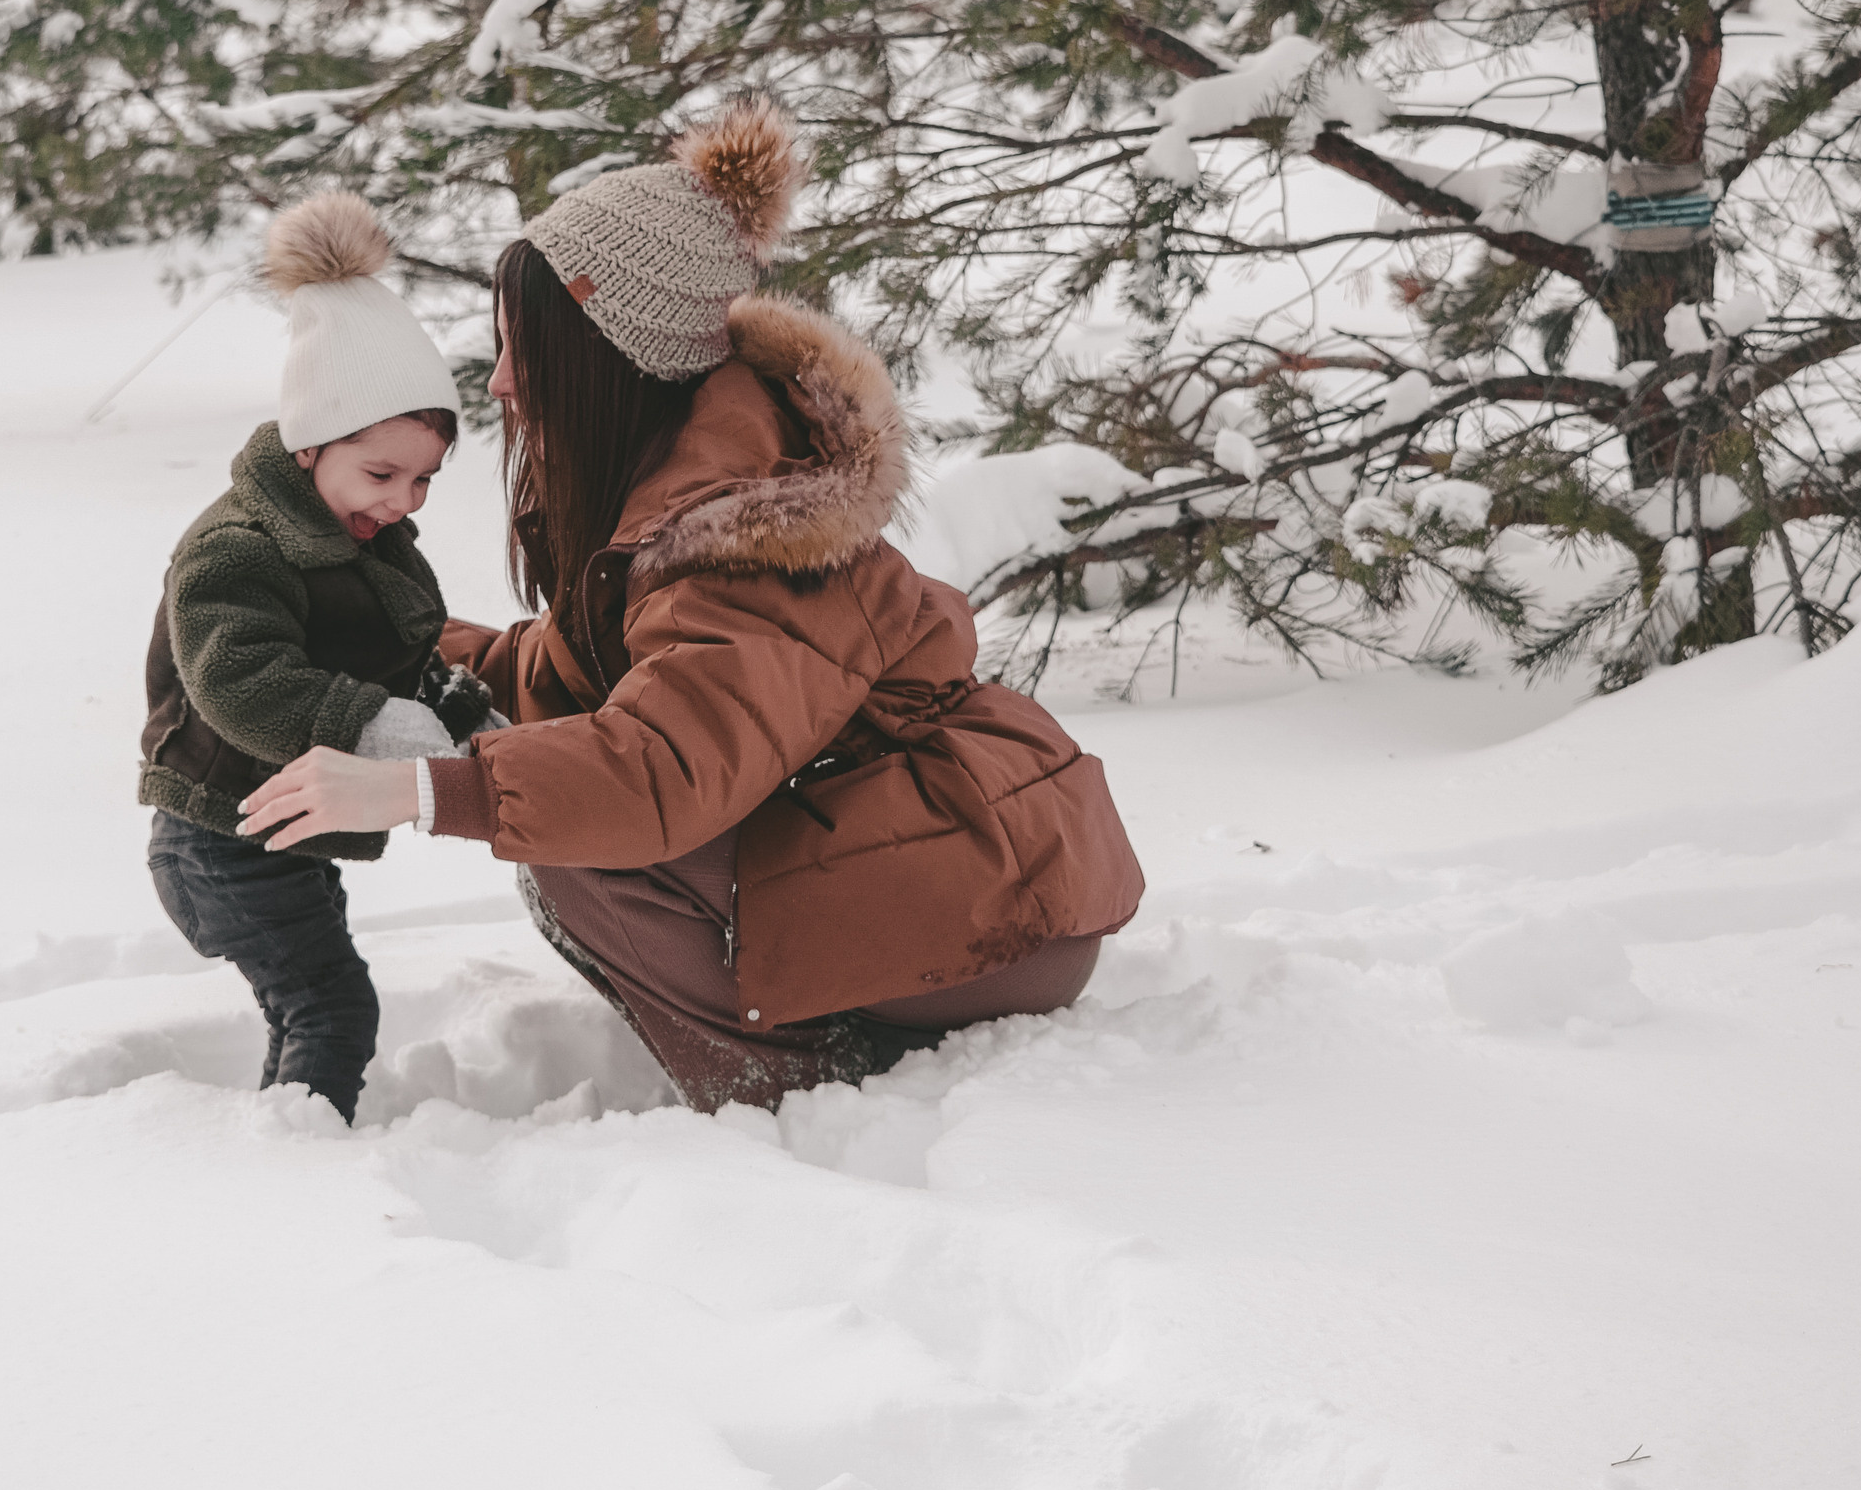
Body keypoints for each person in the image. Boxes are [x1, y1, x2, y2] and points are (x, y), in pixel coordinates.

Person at [239, 101, 1146, 1114]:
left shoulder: (745, 538)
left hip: (986, 911)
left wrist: (420, 790)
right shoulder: (686, 485)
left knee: (585, 846)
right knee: (564, 815)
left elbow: (660, 770)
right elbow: (575, 678)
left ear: (606, 353)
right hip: (950, 863)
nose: (498, 381)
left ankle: (803, 1100)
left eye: (519, 345)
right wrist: (398, 641)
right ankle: (809, 1048)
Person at [139, 192, 498, 1123]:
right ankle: (293, 1161)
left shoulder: (363, 535)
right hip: (219, 838)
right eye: (381, 473)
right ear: (308, 447)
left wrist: (456, 705)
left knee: (309, 998)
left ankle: (288, 1118)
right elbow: (238, 680)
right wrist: (376, 726)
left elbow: (396, 645)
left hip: (280, 837)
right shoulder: (237, 548)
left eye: (423, 478)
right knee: (332, 1005)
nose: (404, 498)